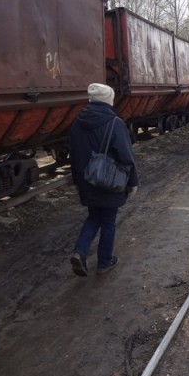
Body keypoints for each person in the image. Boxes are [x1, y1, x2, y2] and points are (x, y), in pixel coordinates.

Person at [68, 83, 139, 276]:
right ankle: (104, 262)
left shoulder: (77, 122)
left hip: (87, 180)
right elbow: (126, 156)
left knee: (94, 216)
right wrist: (133, 182)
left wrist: (78, 181)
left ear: (91, 100)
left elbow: (72, 154)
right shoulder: (115, 123)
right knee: (108, 220)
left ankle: (79, 252)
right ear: (109, 100)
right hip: (110, 180)